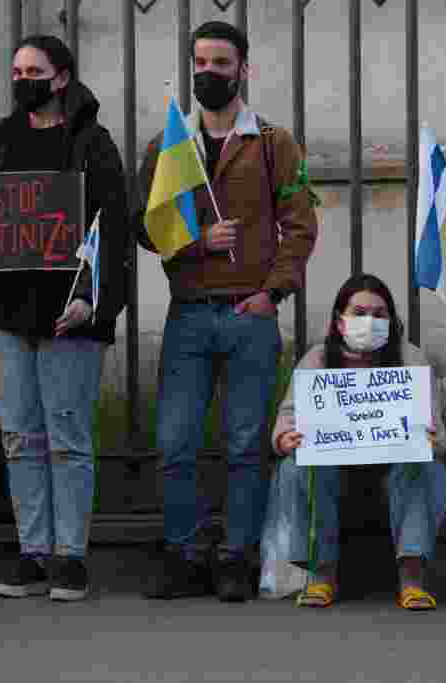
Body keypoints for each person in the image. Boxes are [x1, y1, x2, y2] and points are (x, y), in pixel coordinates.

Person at [134, 20, 318, 603]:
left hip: (250, 315)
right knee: (176, 442)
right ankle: (184, 555)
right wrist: (196, 242)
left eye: (221, 63)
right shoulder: (168, 146)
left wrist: (274, 293)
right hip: (187, 312)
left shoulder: (273, 143)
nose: (208, 72)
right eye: (201, 63)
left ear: (243, 69)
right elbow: (146, 227)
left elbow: (301, 225)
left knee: (244, 444)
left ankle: (237, 555)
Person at [0, 35, 127, 602]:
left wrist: (94, 301)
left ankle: (71, 557)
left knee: (67, 438)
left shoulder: (93, 142)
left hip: (71, 314)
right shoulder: (3, 137)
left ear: (61, 77)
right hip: (11, 313)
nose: (22, 80)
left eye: (33, 71)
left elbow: (111, 230)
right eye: (16, 70)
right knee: (20, 438)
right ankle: (32, 553)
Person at [269, 273, 446, 610]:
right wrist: (285, 438)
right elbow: (287, 419)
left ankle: (412, 577)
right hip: (333, 469)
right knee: (297, 466)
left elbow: (439, 435)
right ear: (340, 321)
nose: (370, 321)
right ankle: (321, 574)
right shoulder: (317, 359)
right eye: (360, 312)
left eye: (380, 314)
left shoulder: (410, 358)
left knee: (427, 464)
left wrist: (429, 438)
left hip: (394, 468)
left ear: (391, 321)